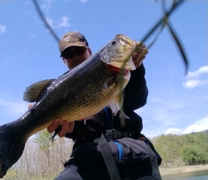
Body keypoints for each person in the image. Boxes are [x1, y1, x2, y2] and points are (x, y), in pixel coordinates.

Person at [47, 32, 162, 180]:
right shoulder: (60, 90)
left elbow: (137, 101)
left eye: (79, 51)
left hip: (133, 154)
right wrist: (57, 124)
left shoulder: (117, 72)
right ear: (64, 61)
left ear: (89, 51)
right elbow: (72, 129)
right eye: (69, 54)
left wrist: (137, 68)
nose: (75, 57)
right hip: (89, 159)